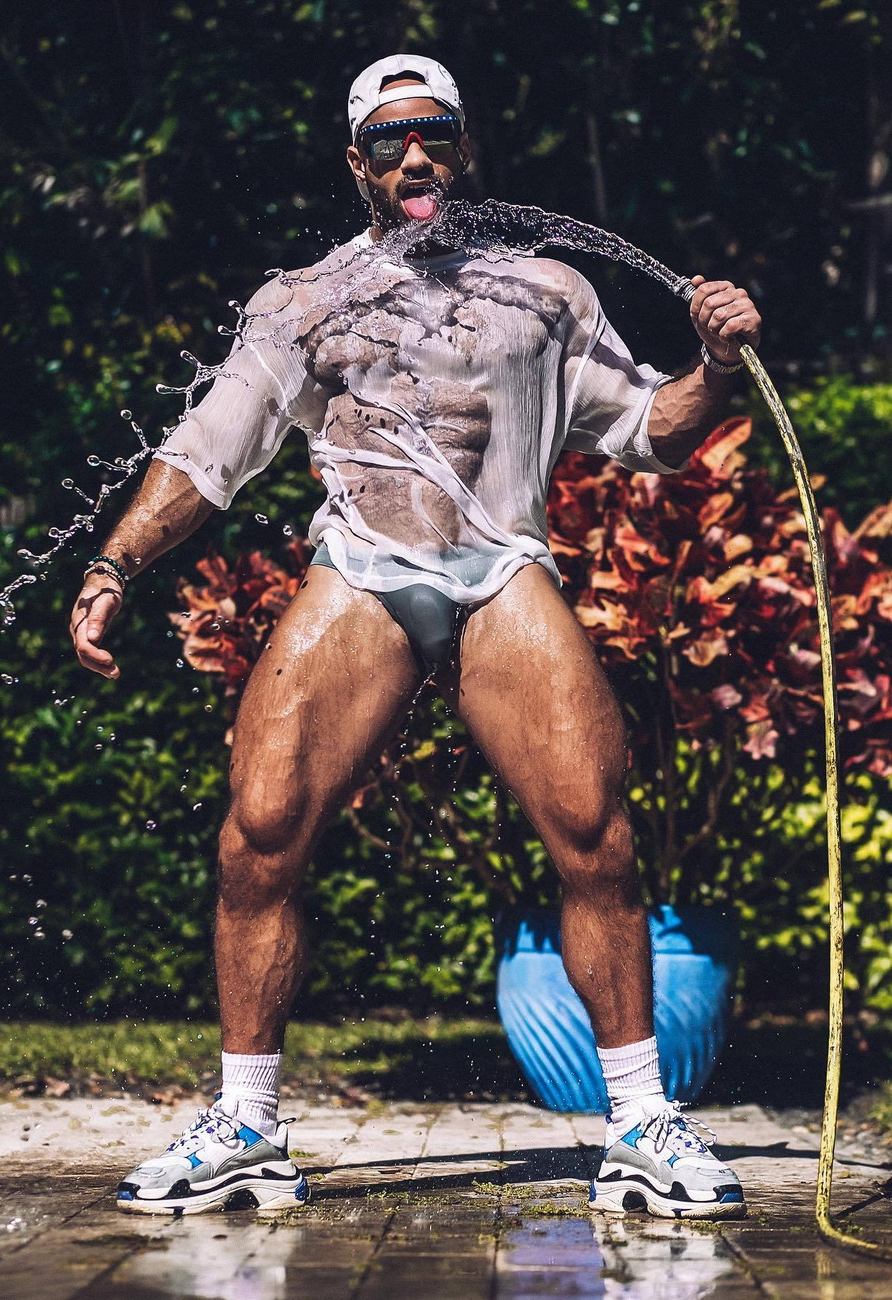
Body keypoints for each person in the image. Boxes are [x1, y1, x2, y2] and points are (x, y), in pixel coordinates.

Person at [70, 54, 761, 1220]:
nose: (414, 156)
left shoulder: (547, 292)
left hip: (500, 571)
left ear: (463, 146)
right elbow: (205, 452)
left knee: (596, 838)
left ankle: (641, 1122)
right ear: (358, 163)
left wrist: (719, 361)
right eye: (388, 141)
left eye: (433, 132)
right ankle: (245, 1125)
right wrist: (112, 565)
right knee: (258, 834)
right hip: (363, 569)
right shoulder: (303, 302)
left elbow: (652, 429)